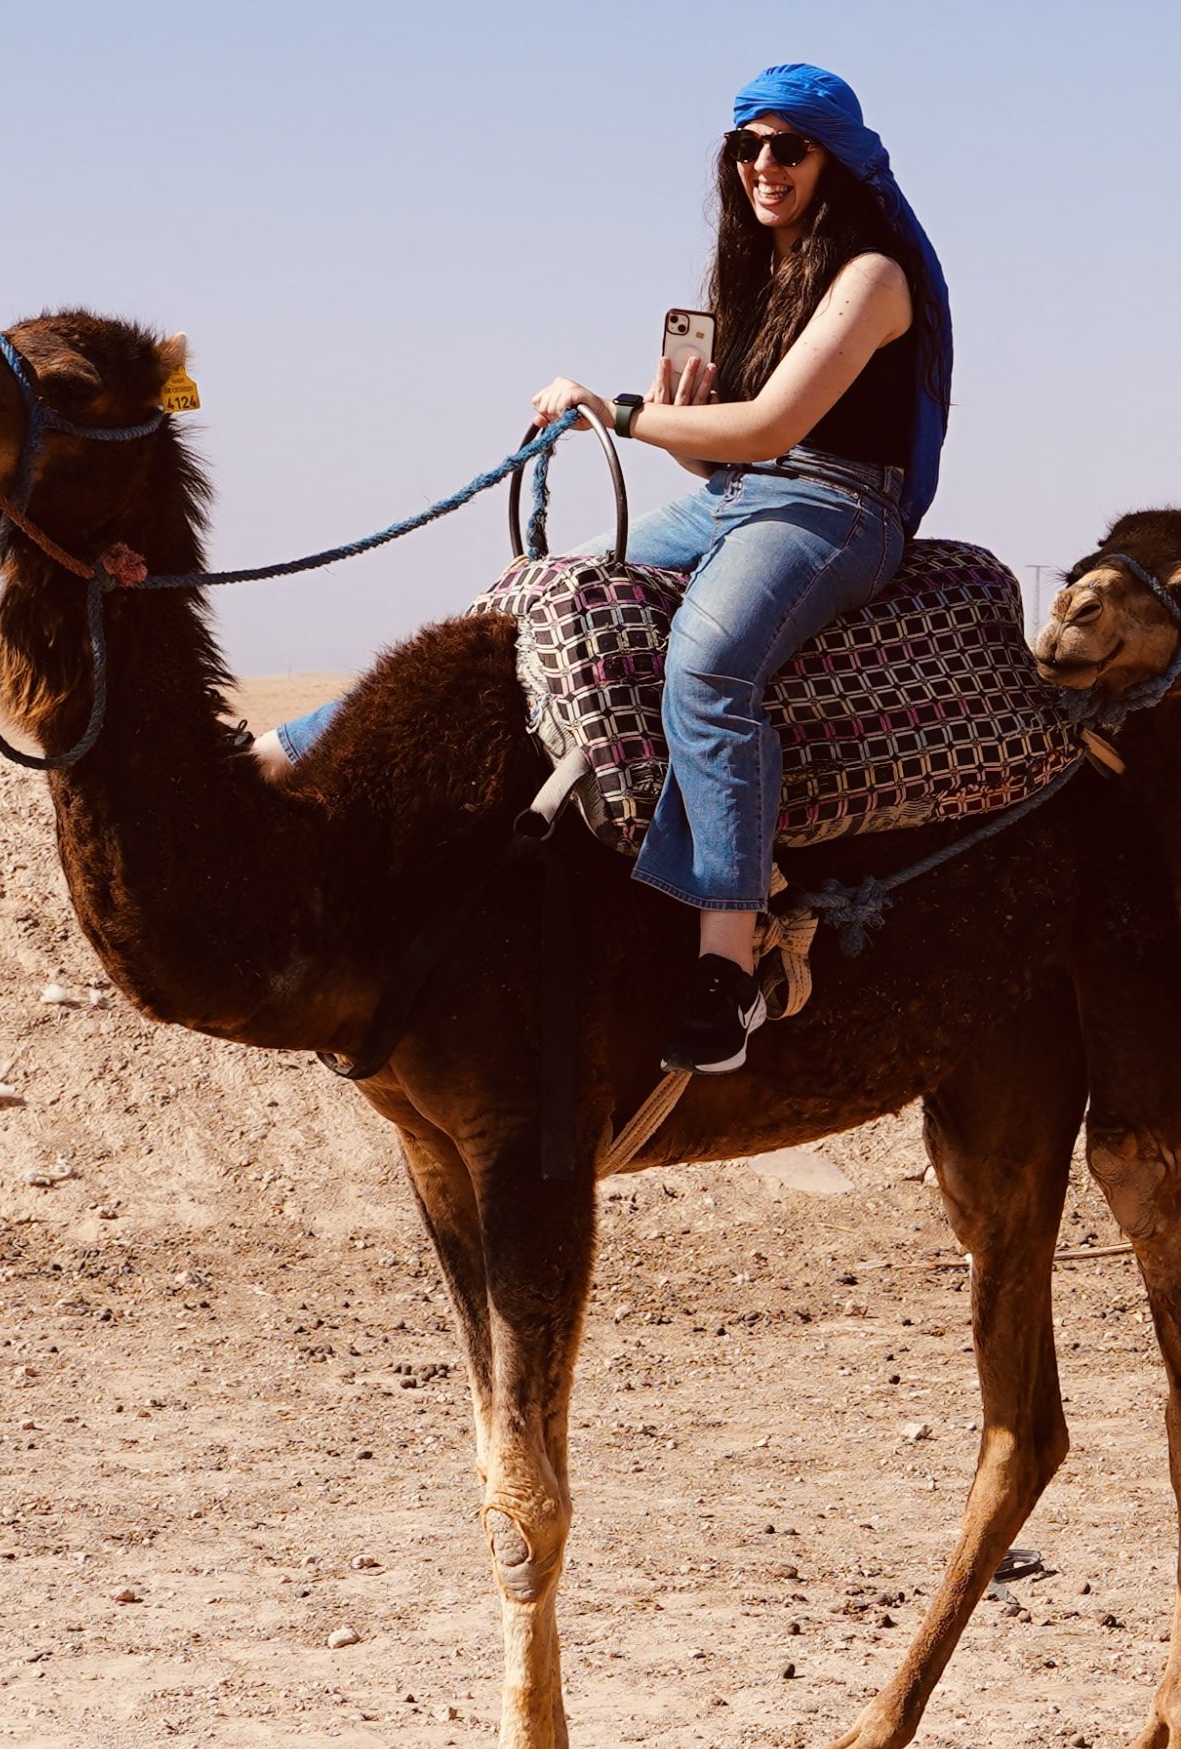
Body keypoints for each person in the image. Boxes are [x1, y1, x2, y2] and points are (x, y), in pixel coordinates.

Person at [260, 63, 952, 1075]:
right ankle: (281, 757)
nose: (764, 165)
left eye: (787, 147)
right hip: (741, 499)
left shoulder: (872, 278)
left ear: (835, 161)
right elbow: (727, 458)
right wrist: (677, 423)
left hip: (839, 507)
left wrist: (619, 411)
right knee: (522, 598)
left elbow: (777, 428)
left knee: (710, 665)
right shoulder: (765, 272)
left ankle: (727, 967)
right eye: (747, 146)